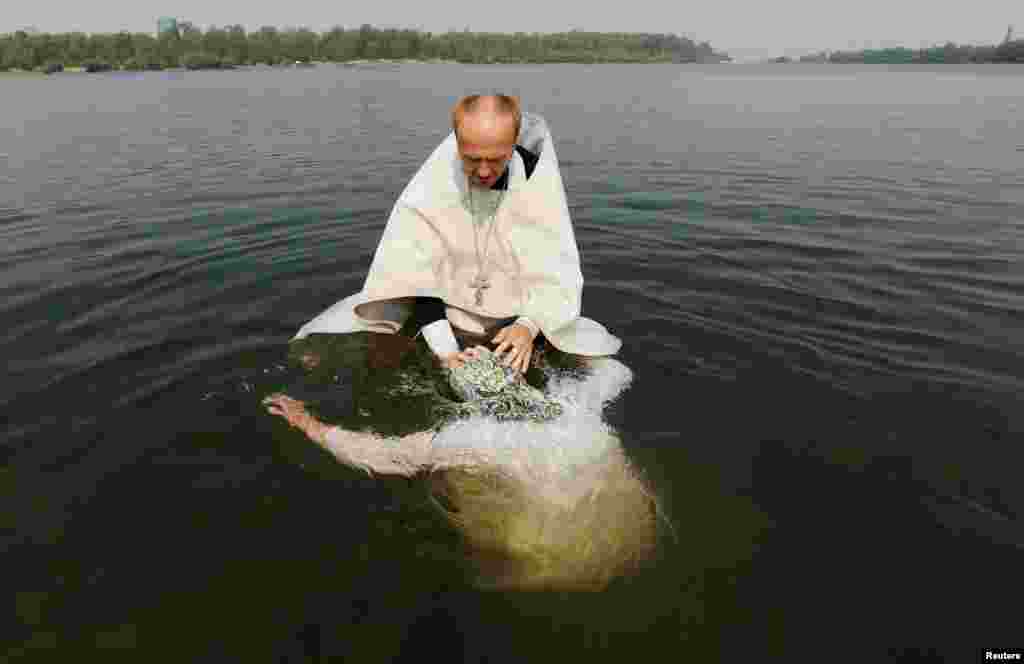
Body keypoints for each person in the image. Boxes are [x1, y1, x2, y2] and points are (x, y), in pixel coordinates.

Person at [290, 94, 622, 377]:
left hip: (517, 316)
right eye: (471, 159)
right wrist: (447, 352)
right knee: (336, 355)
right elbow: (414, 277)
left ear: (514, 143)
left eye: (496, 160)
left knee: (603, 369)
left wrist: (528, 326)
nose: (482, 172)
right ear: (457, 143)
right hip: (443, 313)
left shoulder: (537, 182)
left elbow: (555, 272)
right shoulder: (429, 187)